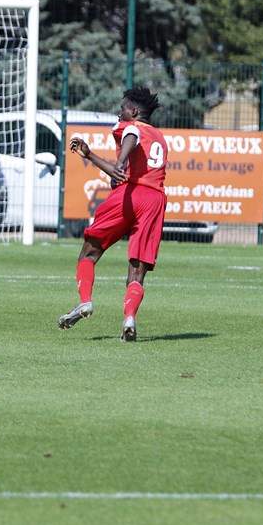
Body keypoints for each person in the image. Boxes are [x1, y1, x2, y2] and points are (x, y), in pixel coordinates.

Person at [57, 86, 168, 342]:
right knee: (137, 269)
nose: (120, 112)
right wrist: (90, 155)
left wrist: (120, 161)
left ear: (135, 111)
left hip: (130, 196)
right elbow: (124, 170)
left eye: (123, 108)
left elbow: (131, 134)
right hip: (154, 200)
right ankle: (129, 318)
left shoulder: (132, 127)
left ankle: (85, 301)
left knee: (89, 251)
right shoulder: (160, 138)